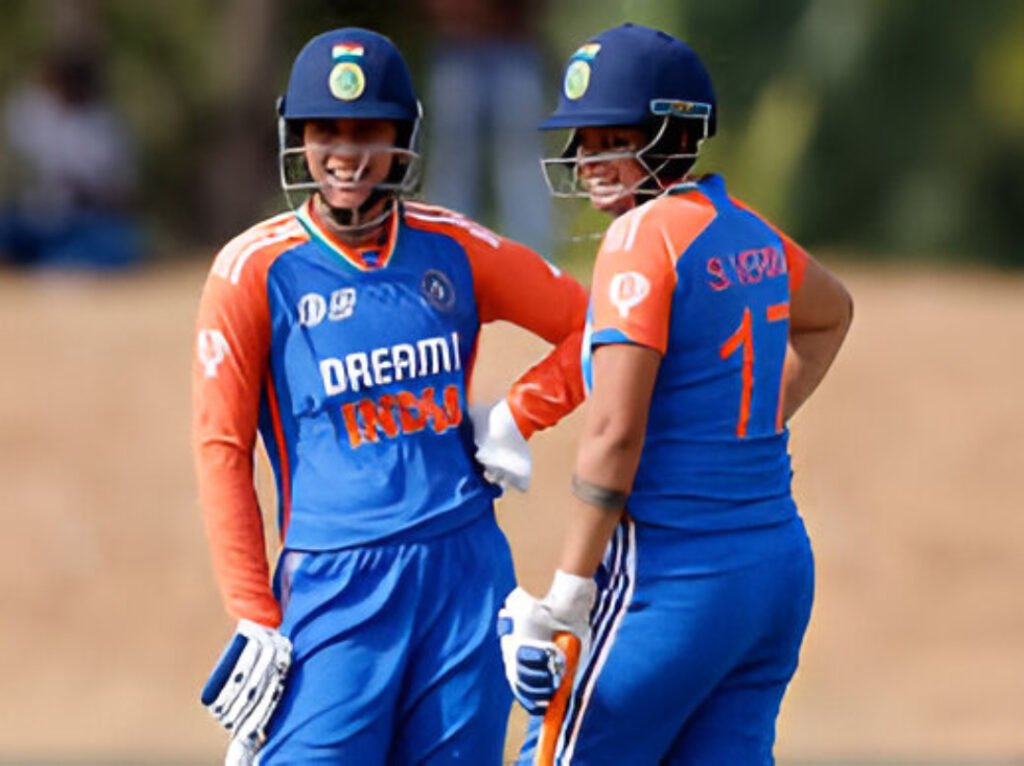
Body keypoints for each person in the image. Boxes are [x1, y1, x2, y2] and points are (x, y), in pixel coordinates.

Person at [192, 28, 587, 765]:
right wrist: (252, 613)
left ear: (403, 134)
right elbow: (221, 451)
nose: (347, 153)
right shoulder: (253, 269)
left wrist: (521, 411)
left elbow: (598, 330)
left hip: (465, 576)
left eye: (369, 130)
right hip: (333, 589)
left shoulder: (454, 246)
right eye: (325, 131)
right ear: (297, 136)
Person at [498, 23, 854, 765]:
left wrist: (565, 595)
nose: (588, 158)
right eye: (583, 140)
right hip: (774, 574)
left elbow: (613, 437)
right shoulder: (747, 229)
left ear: (668, 129)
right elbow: (831, 314)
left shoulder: (641, 238)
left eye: (609, 136)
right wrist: (743, 423)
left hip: (672, 579)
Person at [418, 0, 552, 255]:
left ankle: (534, 265)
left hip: (514, 43)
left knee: (522, 166)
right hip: (456, 46)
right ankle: (448, 255)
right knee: (454, 166)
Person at [0, 46, 141, 270]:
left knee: (116, 243)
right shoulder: (30, 114)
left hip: (80, 221)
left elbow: (122, 191)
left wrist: (88, 191)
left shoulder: (106, 129)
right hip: (30, 217)